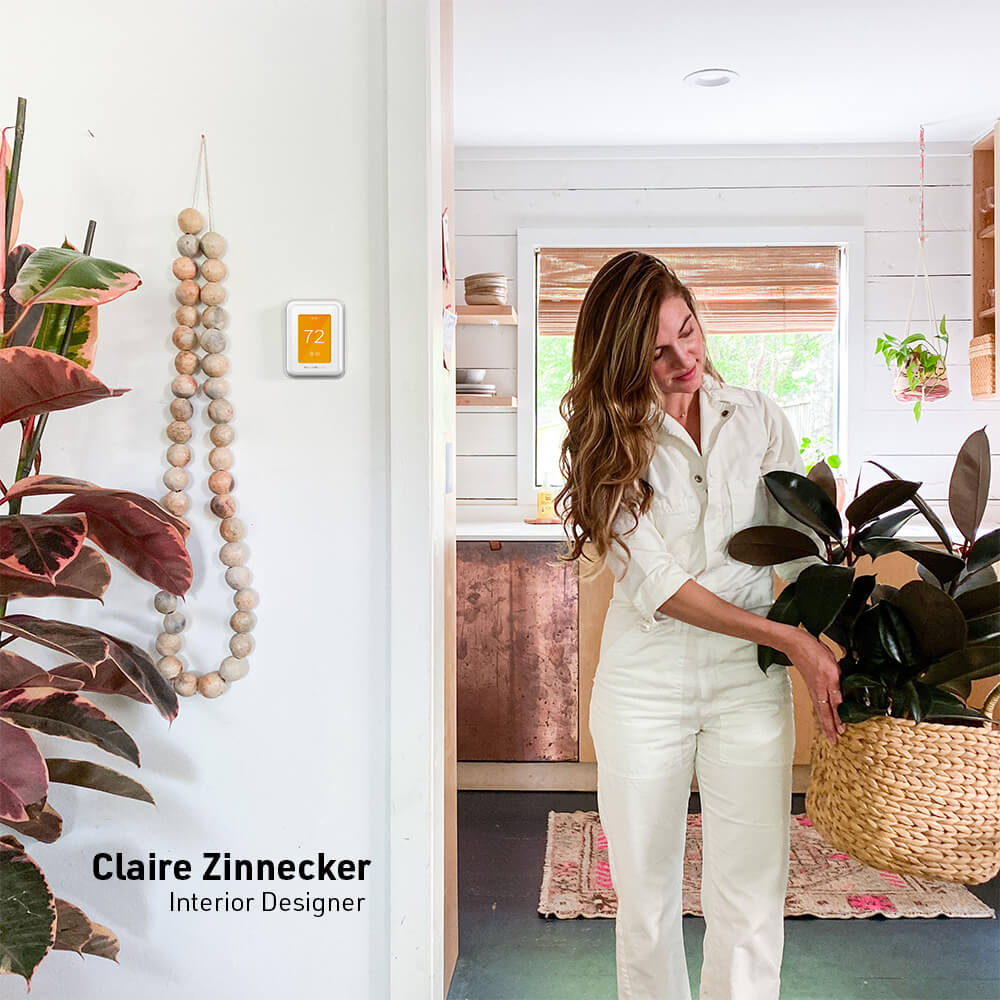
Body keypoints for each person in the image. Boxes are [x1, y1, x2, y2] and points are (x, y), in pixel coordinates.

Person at [554, 251, 845, 1000]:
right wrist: (789, 640)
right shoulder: (606, 441)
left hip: (746, 684)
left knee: (750, 894)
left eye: (688, 330)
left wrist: (843, 626)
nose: (684, 359)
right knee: (645, 900)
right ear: (622, 358)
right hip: (646, 682)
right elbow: (658, 583)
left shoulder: (759, 418)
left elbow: (794, 551)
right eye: (657, 351)